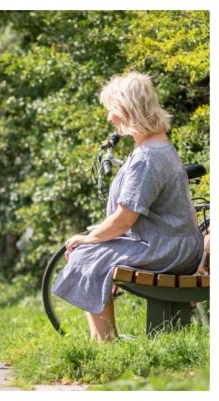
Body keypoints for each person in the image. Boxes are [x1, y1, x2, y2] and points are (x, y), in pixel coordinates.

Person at [53, 71, 203, 341]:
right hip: (176, 245)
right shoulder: (156, 146)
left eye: (112, 110)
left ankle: (105, 344)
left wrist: (87, 239)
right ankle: (106, 340)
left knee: (84, 255)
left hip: (168, 250)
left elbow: (124, 220)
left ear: (127, 109)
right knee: (94, 253)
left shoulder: (147, 157)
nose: (110, 118)